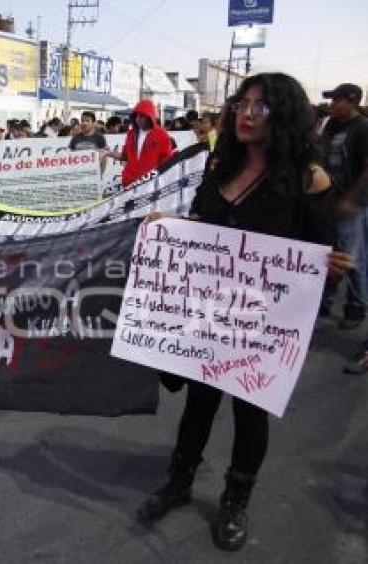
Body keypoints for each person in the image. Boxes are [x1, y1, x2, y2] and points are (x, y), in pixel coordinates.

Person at [138, 73, 351, 552]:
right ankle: (178, 482)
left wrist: (331, 267)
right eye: (242, 104)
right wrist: (171, 227)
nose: (247, 114)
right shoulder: (219, 165)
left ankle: (235, 500)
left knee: (250, 412)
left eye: (262, 106)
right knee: (198, 403)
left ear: (287, 116)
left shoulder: (308, 179)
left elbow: (317, 255)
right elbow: (202, 228)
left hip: (263, 326)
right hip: (208, 316)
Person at [319, 84, 368, 332]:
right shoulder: (332, 125)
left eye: (336, 100)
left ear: (352, 101)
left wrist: (351, 198)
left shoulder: (362, 128)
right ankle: (323, 301)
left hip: (352, 205)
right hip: (329, 200)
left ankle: (356, 306)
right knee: (329, 255)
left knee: (352, 257)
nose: (331, 105)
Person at [118, 99, 173, 187]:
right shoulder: (131, 134)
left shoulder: (161, 135)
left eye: (142, 116)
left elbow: (167, 160)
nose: (138, 119)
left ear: (149, 117)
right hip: (129, 181)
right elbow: (125, 156)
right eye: (136, 116)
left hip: (149, 183)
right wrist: (109, 153)